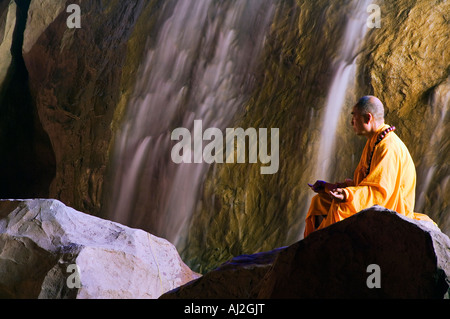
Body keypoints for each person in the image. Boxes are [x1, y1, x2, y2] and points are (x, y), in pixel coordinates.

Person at [304, 95, 436, 237]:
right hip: (372, 201)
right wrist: (329, 187)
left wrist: (347, 195)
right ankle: (311, 247)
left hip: (392, 210)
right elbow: (362, 184)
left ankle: (323, 252)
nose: (351, 122)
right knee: (319, 201)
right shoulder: (375, 142)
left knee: (341, 207)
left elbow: (380, 194)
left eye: (354, 117)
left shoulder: (388, 147)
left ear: (368, 118)